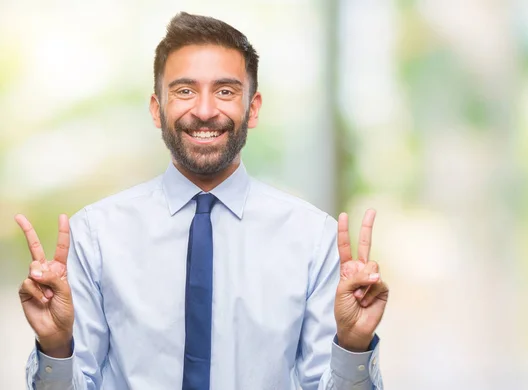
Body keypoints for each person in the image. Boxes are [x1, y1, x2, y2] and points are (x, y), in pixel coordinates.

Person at [16, 12, 389, 390]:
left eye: (225, 91)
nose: (206, 110)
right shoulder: (95, 234)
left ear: (253, 108)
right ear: (156, 109)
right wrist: (56, 347)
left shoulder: (312, 237)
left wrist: (353, 346)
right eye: (184, 91)